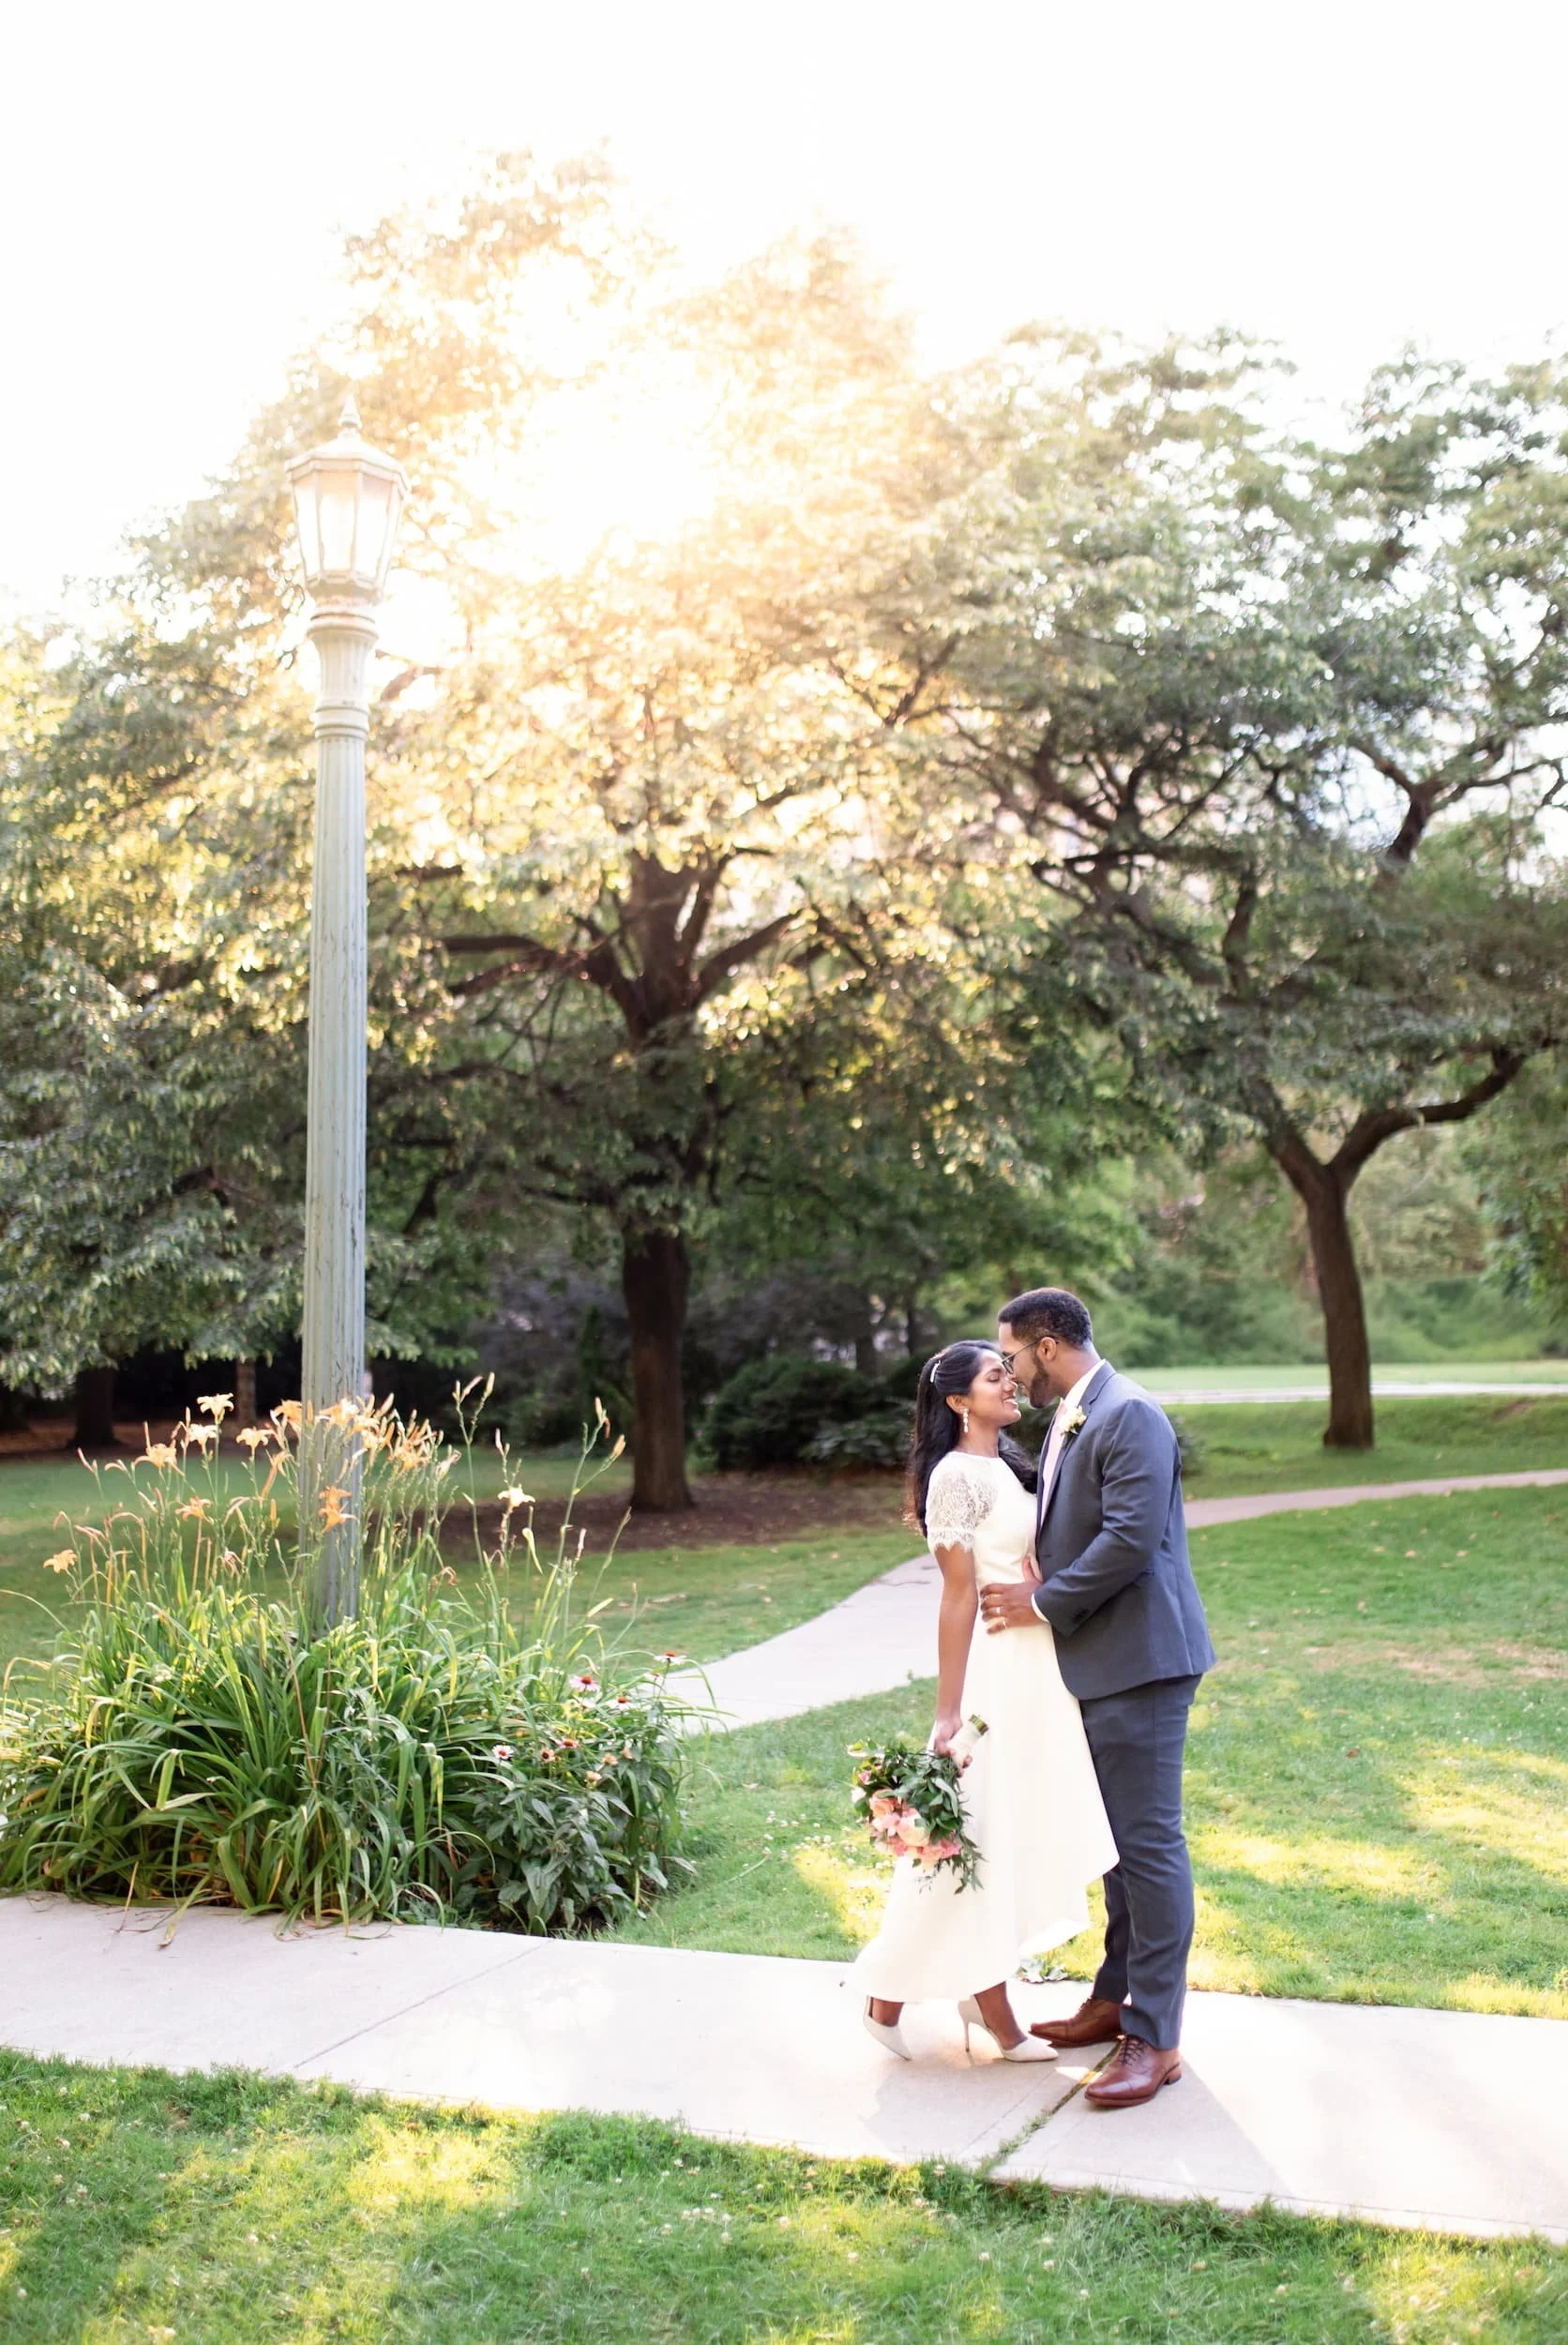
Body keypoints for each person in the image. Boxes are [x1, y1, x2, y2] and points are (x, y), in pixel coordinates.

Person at [981, 1286, 1215, 2110]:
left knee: (1148, 1848)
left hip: (1143, 1663)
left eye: (1010, 1355)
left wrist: (1040, 1602)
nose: (1008, 1372)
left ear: (1046, 1345)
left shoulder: (1128, 1413)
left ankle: (1156, 2038)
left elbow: (1131, 1536)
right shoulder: (1074, 1416)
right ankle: (1115, 2000)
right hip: (1096, 1662)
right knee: (1114, 1848)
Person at [854, 1339, 1118, 2062]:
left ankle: (929, 1993)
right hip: (997, 1678)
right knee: (977, 1834)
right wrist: (947, 1711)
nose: (1010, 1383)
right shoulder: (954, 1477)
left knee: (1012, 1830)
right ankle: (953, 1999)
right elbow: (957, 1597)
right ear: (957, 1402)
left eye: (1008, 1372)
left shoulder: (1010, 1465)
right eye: (995, 1377)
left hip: (1040, 1670)